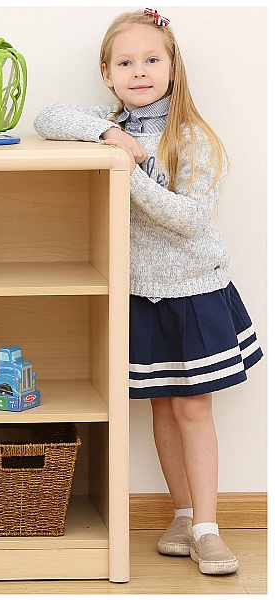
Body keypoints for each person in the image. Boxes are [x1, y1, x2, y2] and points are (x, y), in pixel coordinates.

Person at [34, 8, 263, 576]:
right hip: (140, 293)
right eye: (126, 62)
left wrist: (127, 171)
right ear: (107, 73)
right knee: (161, 406)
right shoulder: (111, 122)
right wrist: (109, 135)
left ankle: (210, 527)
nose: (140, 71)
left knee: (192, 407)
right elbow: (49, 116)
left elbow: (187, 219)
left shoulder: (192, 137)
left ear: (172, 66)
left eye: (152, 59)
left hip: (193, 292)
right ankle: (183, 515)